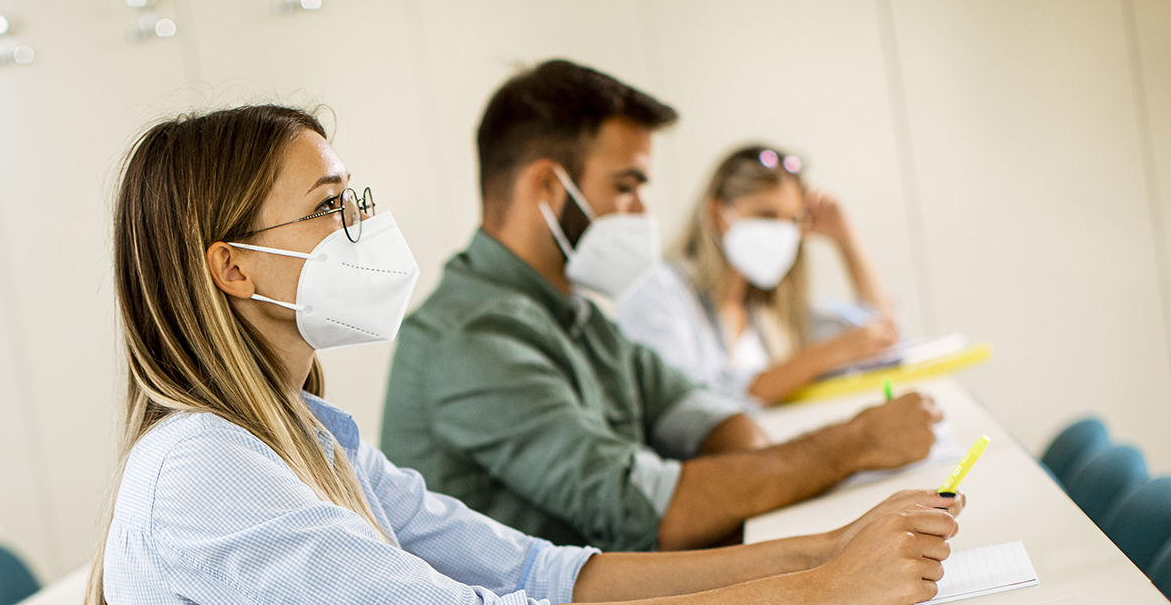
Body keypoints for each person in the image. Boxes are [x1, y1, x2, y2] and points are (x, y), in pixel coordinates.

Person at [82, 103, 963, 605]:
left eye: (357, 199)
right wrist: (816, 594)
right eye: (328, 207)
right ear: (232, 268)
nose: (360, 225)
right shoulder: (201, 472)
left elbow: (540, 574)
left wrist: (821, 552)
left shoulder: (309, 438)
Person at [382, 59, 942, 556]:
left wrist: (761, 465)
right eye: (627, 187)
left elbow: (708, 414)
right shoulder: (472, 338)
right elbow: (649, 512)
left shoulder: (578, 316)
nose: (642, 210)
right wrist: (853, 444)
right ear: (549, 187)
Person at [616, 145, 900, 406]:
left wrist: (846, 238)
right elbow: (687, 403)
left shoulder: (768, 309)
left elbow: (882, 336)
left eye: (793, 220)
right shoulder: (659, 289)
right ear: (717, 214)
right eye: (766, 215)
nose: (781, 232)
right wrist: (821, 357)